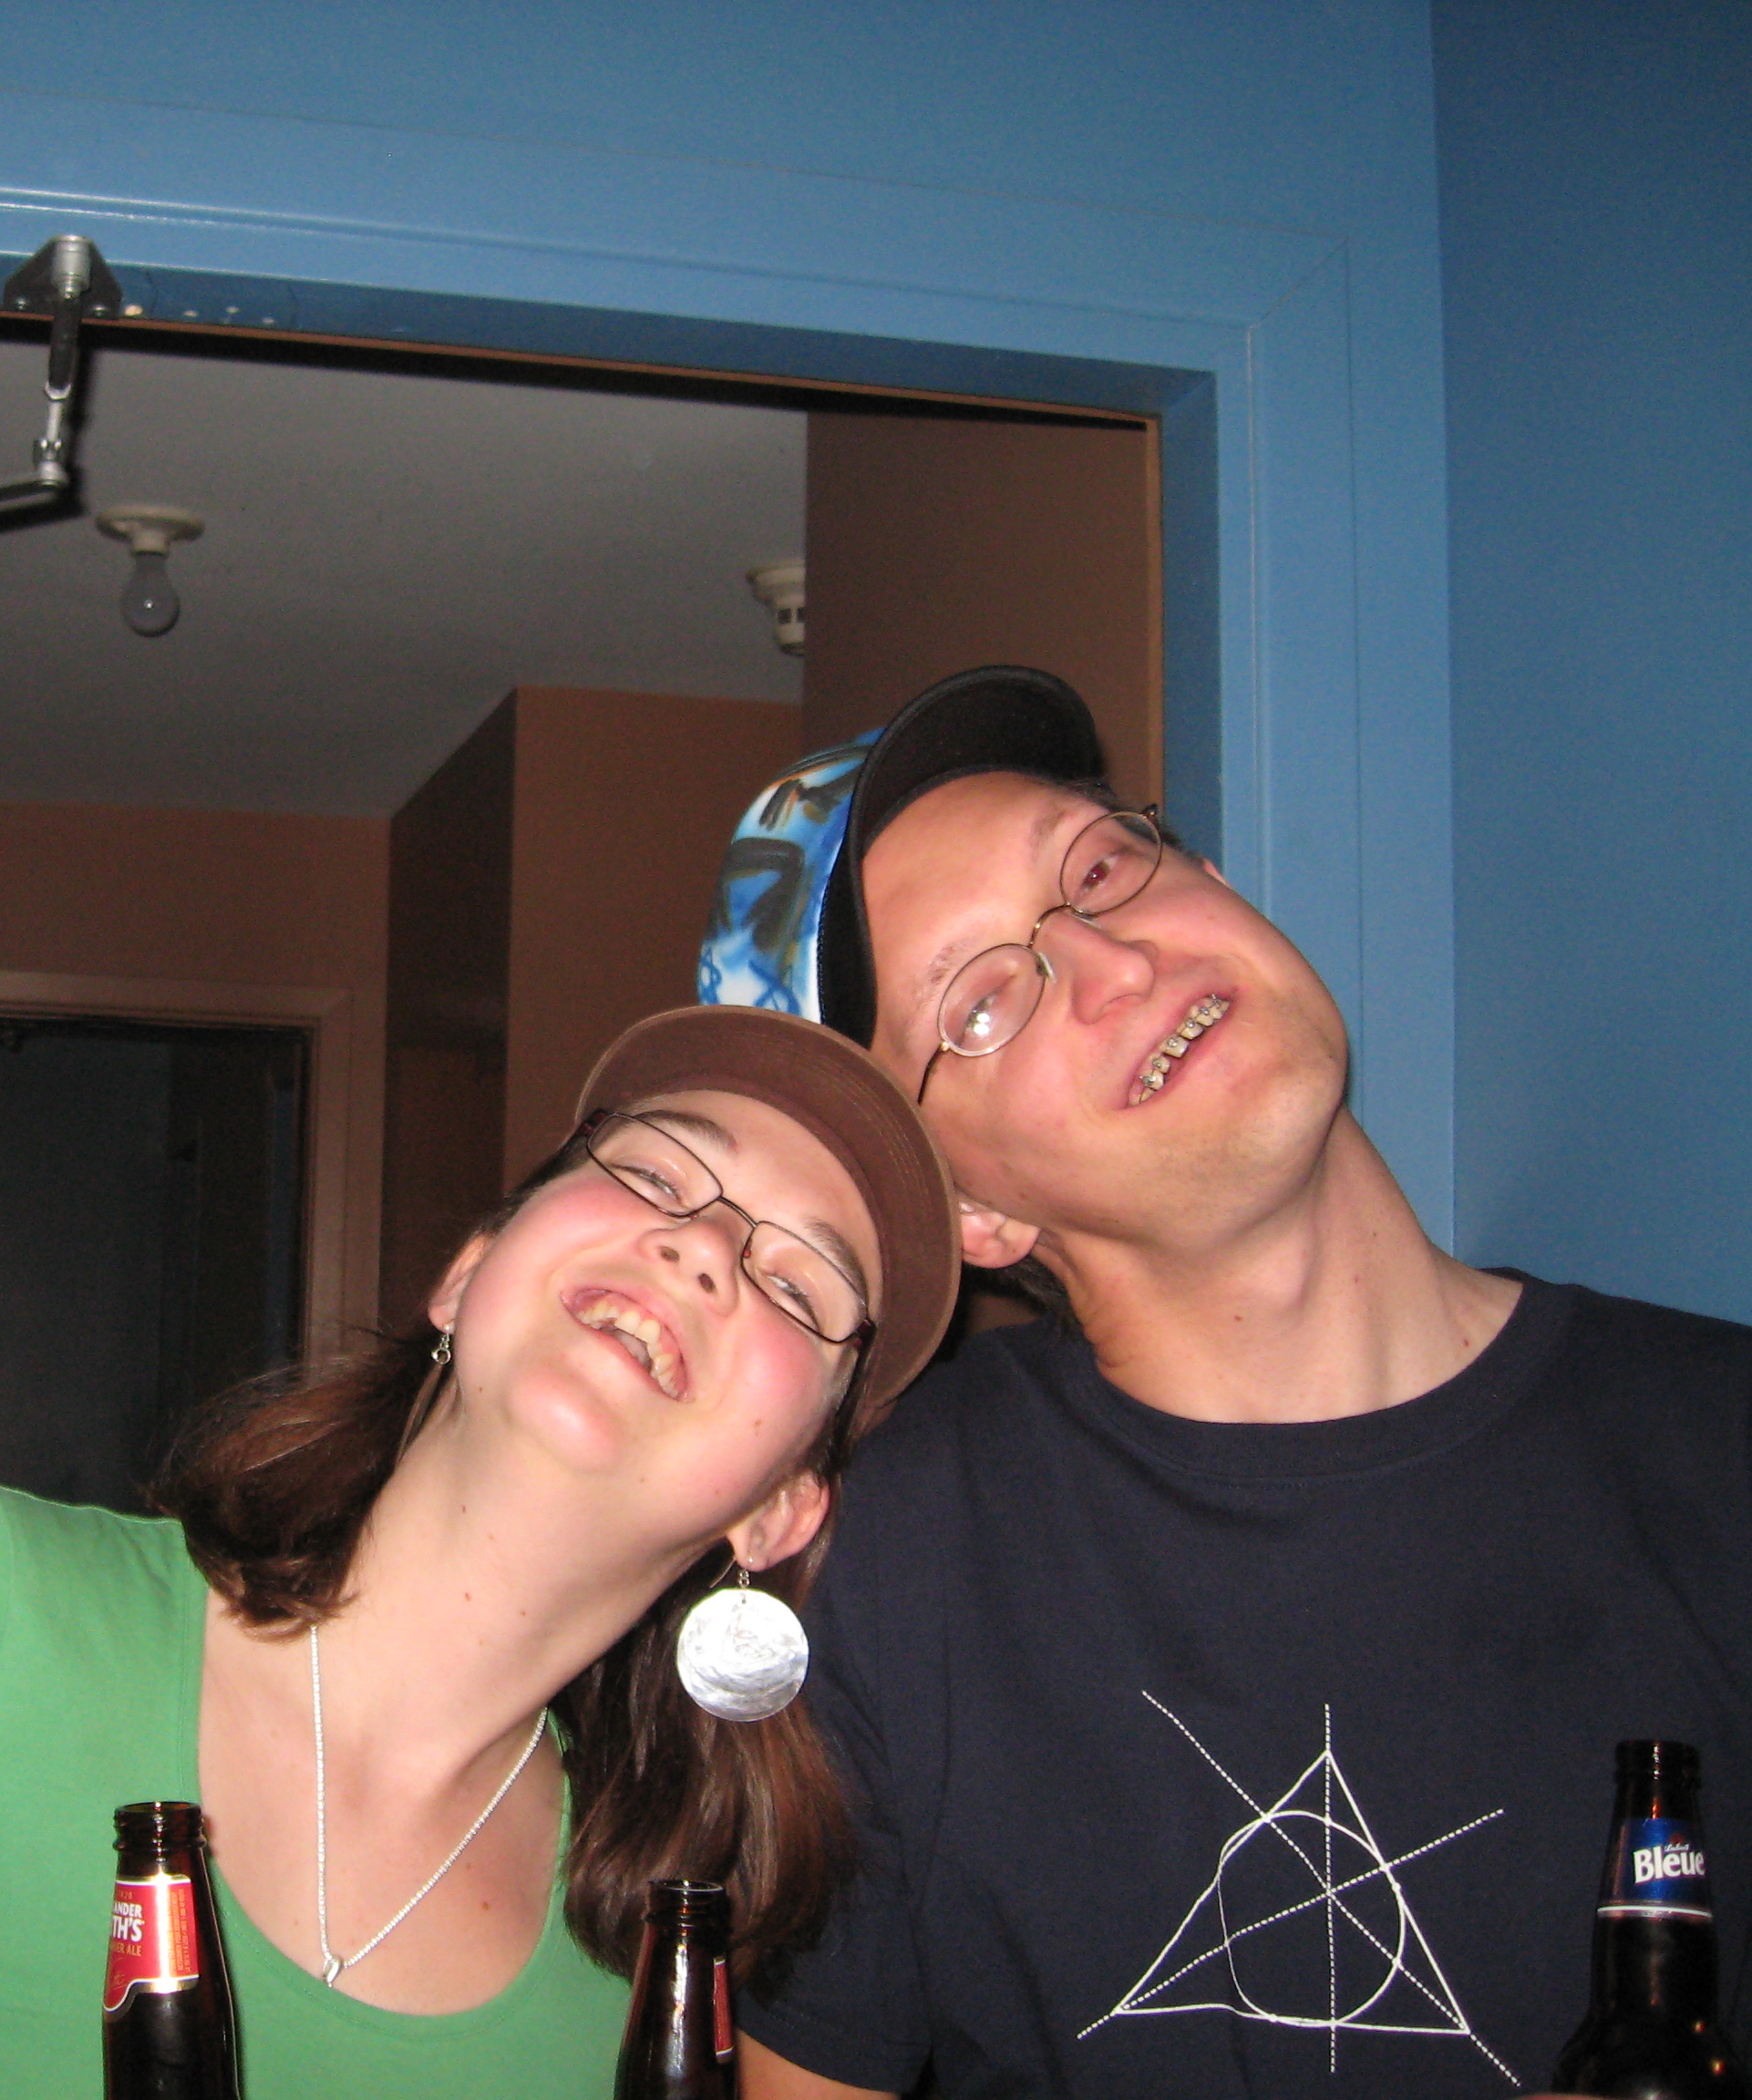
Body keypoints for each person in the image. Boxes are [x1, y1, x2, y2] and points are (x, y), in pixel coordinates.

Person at [0, 1003, 959, 2099]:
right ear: (467, 1274)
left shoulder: (651, 1983)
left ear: (783, 1510)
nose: (702, 1245)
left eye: (798, 1283)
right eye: (654, 1171)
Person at [702, 666, 1752, 2099]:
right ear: (973, 1212)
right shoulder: (887, 1554)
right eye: (986, 999)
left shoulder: (1719, 1449)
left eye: (1099, 868)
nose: (1115, 962)